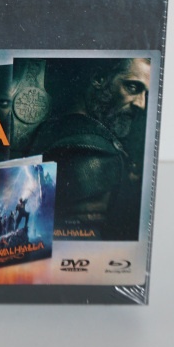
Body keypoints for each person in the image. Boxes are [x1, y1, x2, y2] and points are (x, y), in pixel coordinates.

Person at [29, 57, 150, 239]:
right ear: (99, 79)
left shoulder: (58, 128)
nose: (141, 104)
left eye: (145, 94)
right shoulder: (94, 154)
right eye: (132, 87)